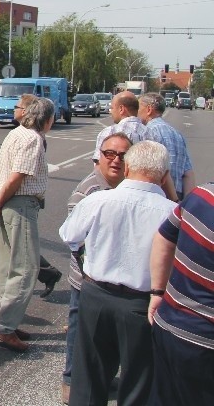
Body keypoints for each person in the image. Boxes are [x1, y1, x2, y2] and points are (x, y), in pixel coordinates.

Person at [59, 141, 175, 406]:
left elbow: (69, 236)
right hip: (144, 303)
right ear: (165, 175)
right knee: (139, 381)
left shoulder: (97, 200)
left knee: (89, 376)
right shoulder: (171, 213)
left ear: (128, 167)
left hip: (96, 294)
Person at [60, 132, 131, 405]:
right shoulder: (88, 191)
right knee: (78, 330)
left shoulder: (126, 186)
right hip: (89, 280)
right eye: (109, 154)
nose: (115, 160)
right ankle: (70, 382)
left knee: (103, 335)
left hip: (112, 279)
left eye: (122, 155)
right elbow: (76, 242)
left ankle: (97, 376)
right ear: (99, 157)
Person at [0, 96, 54, 352]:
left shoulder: (15, 133)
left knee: (8, 264)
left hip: (8, 201)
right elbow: (17, 176)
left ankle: (8, 320)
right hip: (20, 204)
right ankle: (4, 326)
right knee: (26, 267)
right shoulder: (33, 139)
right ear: (46, 118)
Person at [147, 184, 214, 406]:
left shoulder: (202, 195)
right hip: (205, 344)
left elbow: (164, 236)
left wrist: (157, 291)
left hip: (169, 324)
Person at [139, 93, 195, 200]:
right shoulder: (177, 134)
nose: (136, 112)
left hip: (156, 195)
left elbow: (155, 169)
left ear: (149, 109)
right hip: (178, 197)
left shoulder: (148, 131)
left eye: (138, 108)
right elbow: (188, 173)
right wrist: (185, 204)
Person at [92, 91, 147, 161]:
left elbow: (98, 164)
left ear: (121, 109)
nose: (110, 111)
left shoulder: (109, 132)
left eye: (111, 108)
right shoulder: (152, 133)